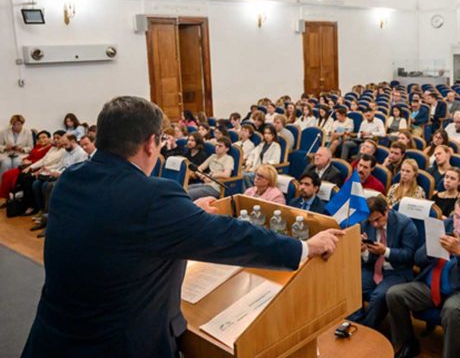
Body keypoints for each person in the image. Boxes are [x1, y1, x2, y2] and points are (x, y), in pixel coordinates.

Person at [21, 96, 342, 358]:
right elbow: (230, 237)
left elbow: (117, 229)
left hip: (53, 339)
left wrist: (183, 213)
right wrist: (303, 246)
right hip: (118, 346)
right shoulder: (152, 196)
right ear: (151, 143)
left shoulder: (70, 181)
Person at [386, 197, 460, 358]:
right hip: (432, 286)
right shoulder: (444, 226)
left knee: (453, 309)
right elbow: (418, 259)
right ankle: (407, 344)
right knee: (394, 294)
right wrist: (433, 248)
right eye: (457, 217)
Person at [348, 195, 417, 329]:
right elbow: (369, 259)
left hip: (397, 272)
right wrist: (363, 250)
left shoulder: (405, 225)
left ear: (387, 210)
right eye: (371, 221)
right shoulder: (365, 223)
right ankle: (355, 324)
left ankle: (366, 331)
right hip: (373, 268)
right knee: (353, 286)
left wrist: (385, 251)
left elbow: (409, 256)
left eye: (378, 219)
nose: (374, 224)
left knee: (378, 297)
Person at [0, 130, 51, 206]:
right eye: (39, 138)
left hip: (36, 168)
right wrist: (25, 160)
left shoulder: (50, 148)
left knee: (13, 177)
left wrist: (30, 162)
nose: (41, 140)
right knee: (6, 174)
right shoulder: (38, 146)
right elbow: (30, 156)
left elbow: (44, 160)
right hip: (26, 166)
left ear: (49, 138)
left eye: (44, 137)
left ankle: (13, 199)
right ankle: (5, 198)